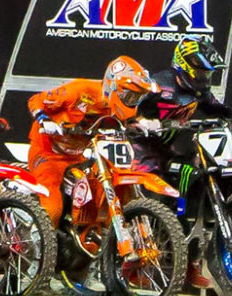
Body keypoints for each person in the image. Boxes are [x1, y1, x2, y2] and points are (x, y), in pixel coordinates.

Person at [27, 55, 160, 225]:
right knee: (53, 206)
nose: (132, 101)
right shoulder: (80, 90)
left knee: (95, 199)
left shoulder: (117, 107)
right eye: (129, 96)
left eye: (136, 98)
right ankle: (40, 249)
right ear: (112, 86)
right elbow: (36, 100)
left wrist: (143, 123)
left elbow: (128, 120)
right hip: (48, 152)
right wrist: (43, 119)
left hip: (79, 157)